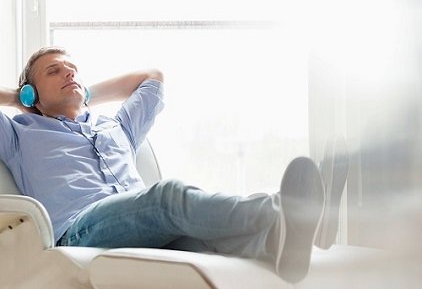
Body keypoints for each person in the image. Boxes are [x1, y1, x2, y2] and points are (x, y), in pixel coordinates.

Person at [0, 46, 348, 283]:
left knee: (198, 242)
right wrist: (19, 100)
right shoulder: (19, 134)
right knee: (169, 197)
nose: (69, 73)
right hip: (80, 229)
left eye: (73, 69)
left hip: (142, 224)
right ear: (32, 92)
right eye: (54, 71)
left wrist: (83, 92)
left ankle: (279, 240)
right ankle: (291, 213)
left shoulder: (116, 127)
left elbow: (152, 78)